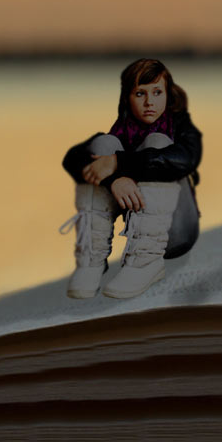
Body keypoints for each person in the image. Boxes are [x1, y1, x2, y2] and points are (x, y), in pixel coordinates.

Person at [60, 58, 203, 299]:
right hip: (135, 226)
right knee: (102, 144)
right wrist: (113, 179)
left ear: (168, 95)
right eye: (140, 93)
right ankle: (92, 260)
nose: (149, 102)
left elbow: (186, 158)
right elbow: (72, 159)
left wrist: (119, 163)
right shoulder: (121, 131)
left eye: (157, 92)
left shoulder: (181, 127)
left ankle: (146, 263)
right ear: (127, 97)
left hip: (175, 230)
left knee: (158, 143)